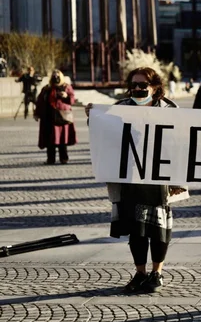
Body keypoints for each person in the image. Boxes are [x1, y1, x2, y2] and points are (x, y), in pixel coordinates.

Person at [85, 67, 187, 294]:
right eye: (135, 85)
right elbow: (103, 135)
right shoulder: (119, 108)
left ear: (155, 87)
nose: (139, 89)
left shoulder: (170, 110)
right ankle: (140, 273)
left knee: (159, 229)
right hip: (129, 178)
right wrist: (94, 117)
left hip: (159, 178)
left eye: (143, 85)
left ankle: (157, 272)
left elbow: (183, 142)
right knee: (136, 230)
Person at [34, 70, 76, 164]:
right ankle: (50, 159)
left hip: (62, 117)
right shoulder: (47, 88)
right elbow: (40, 101)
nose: (55, 78)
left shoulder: (66, 87)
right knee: (50, 140)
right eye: (54, 76)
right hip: (48, 118)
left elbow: (72, 100)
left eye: (57, 76)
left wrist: (65, 96)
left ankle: (64, 158)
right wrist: (37, 113)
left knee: (62, 139)